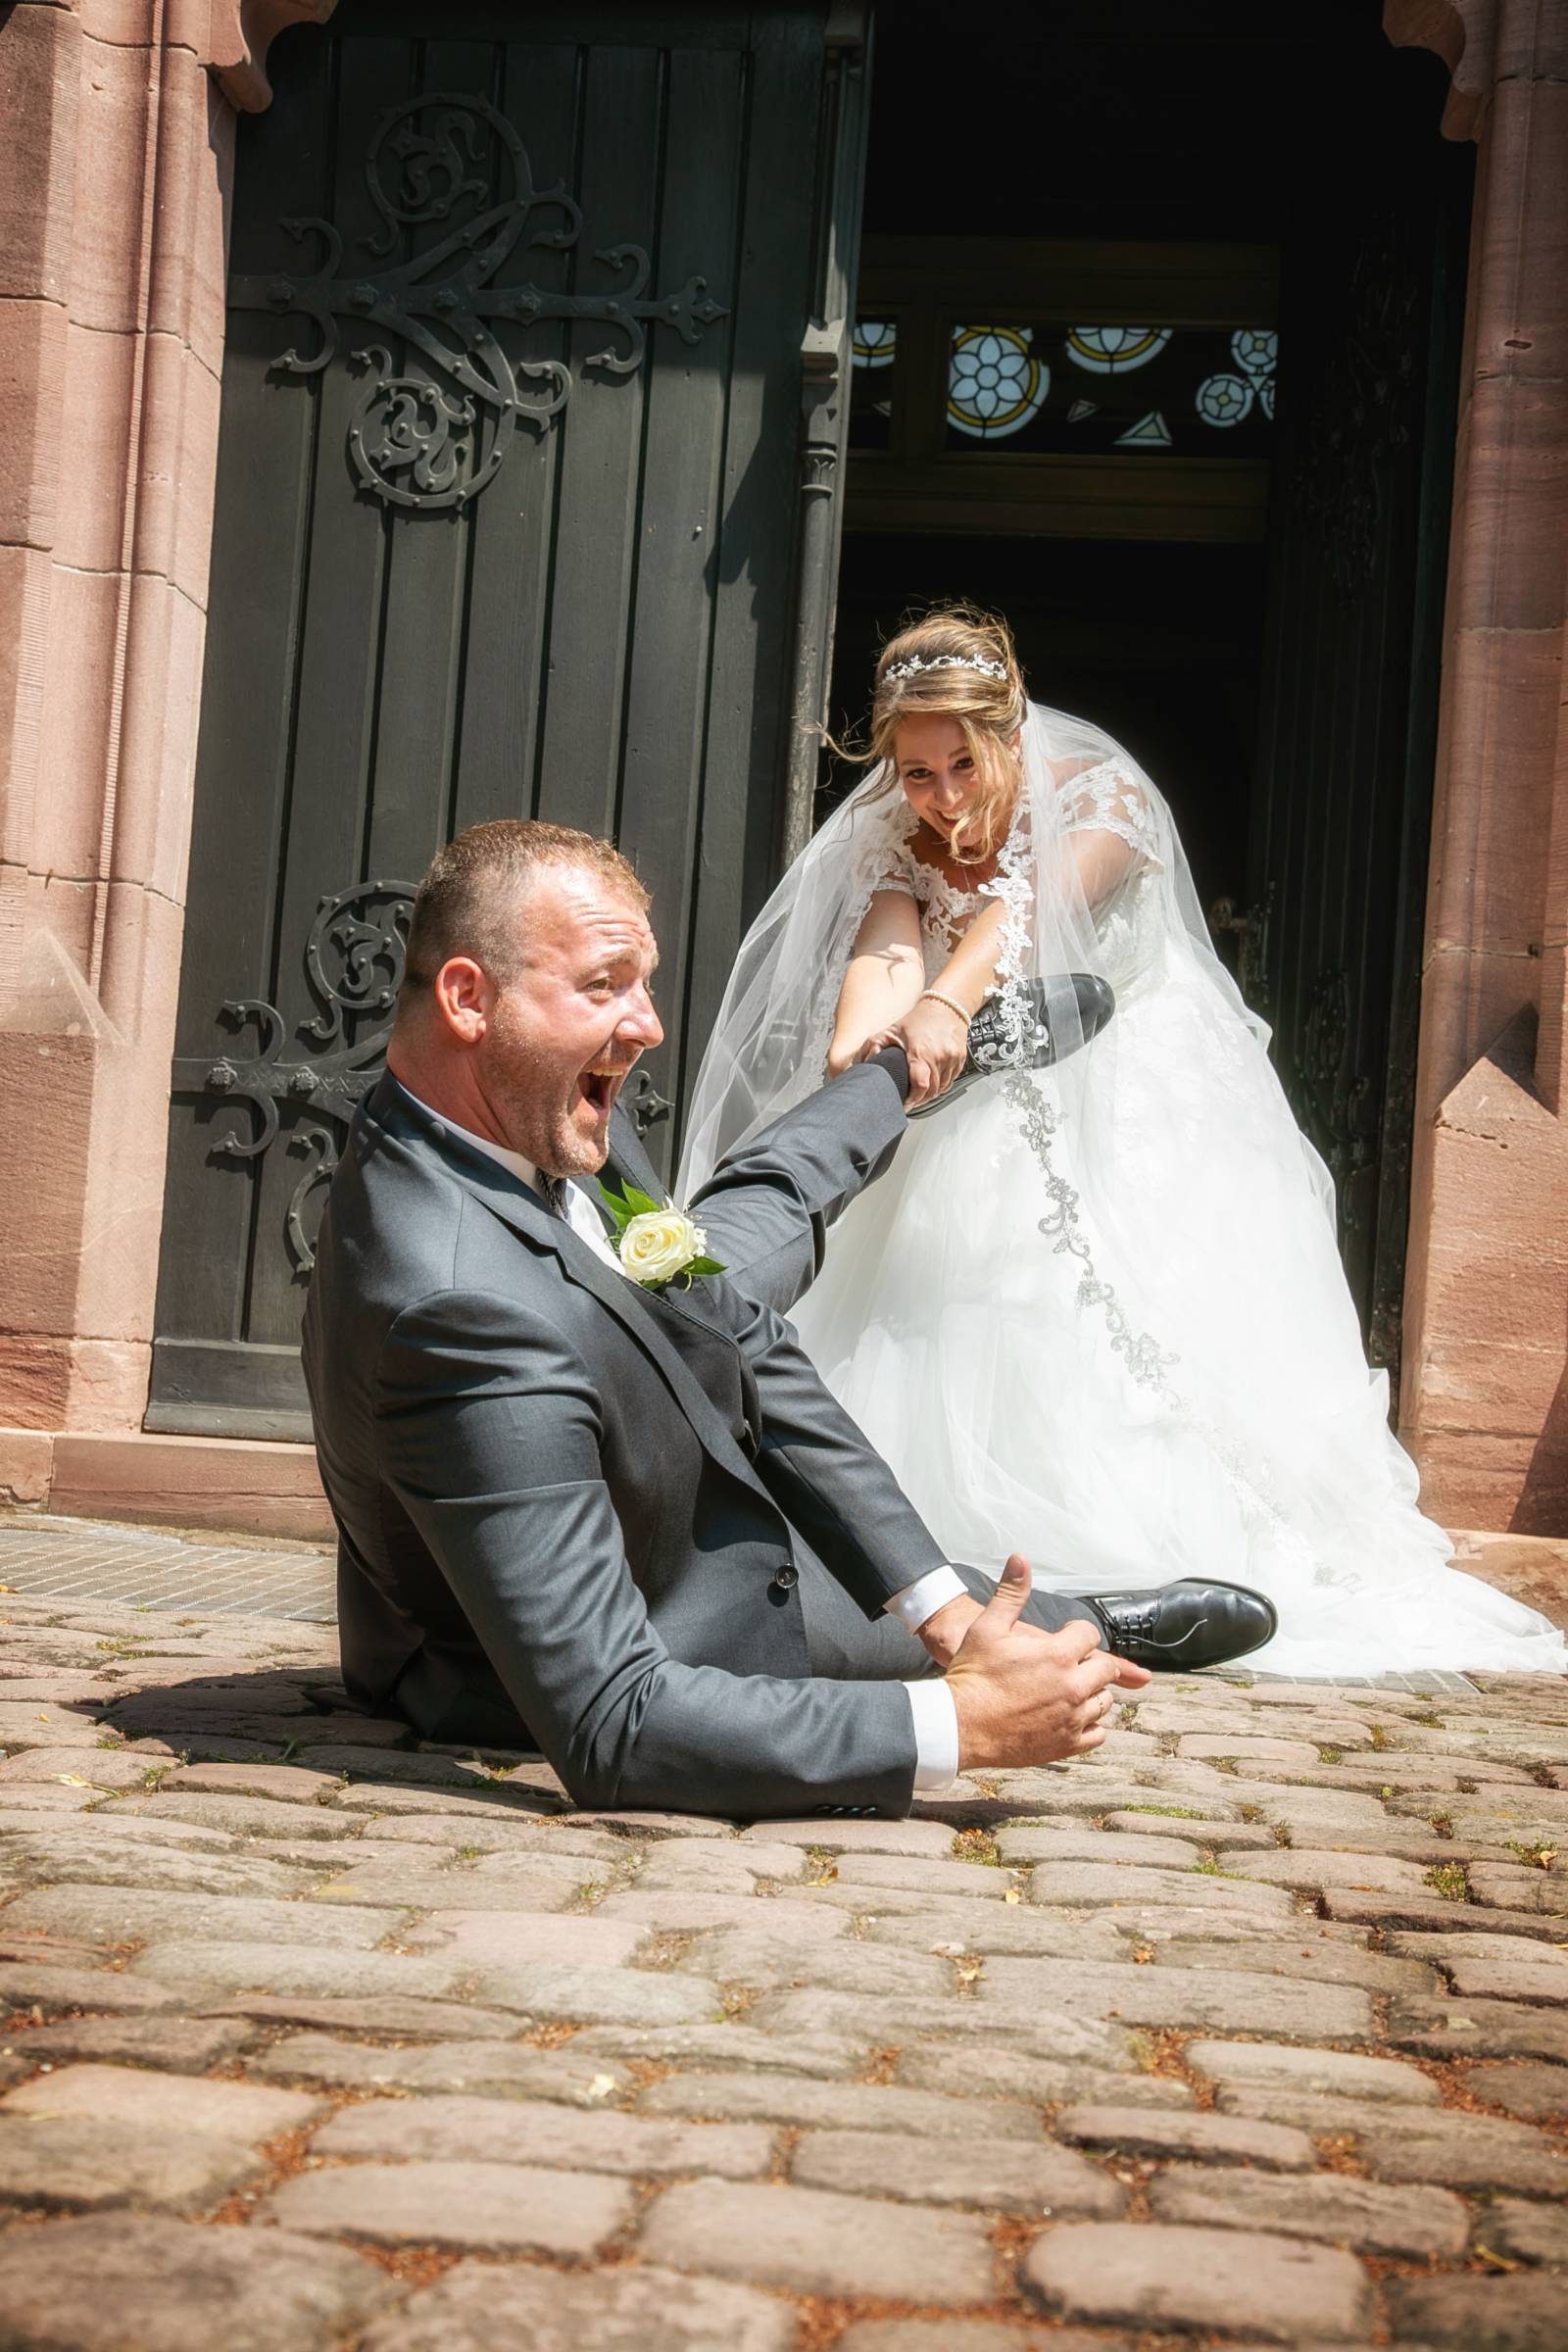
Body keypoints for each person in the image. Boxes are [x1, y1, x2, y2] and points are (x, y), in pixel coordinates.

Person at [301, 817, 1277, 1822]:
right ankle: (1101, 1619)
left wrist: (937, 1609)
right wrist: (961, 1718)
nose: (649, 1027)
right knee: (770, 1223)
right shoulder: (460, 1308)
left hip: (634, 1351)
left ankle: (911, 1065)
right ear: (468, 997)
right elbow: (616, 1723)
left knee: (765, 1211)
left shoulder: (528, 1104)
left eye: (645, 984)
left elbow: (738, 1333)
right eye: (605, 984)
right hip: (651, 1609)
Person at [680, 608, 1567, 1680]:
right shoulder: (899, 837)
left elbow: (1022, 921)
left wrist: (943, 1009)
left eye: (964, 764)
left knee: (1131, 1307)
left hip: (1137, 1093)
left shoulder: (1105, 799)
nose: (944, 796)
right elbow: (885, 961)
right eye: (916, 773)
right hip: (972, 1096)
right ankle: (936, 1568)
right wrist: (863, 1043)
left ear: (1008, 732)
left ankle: (1168, 1557)